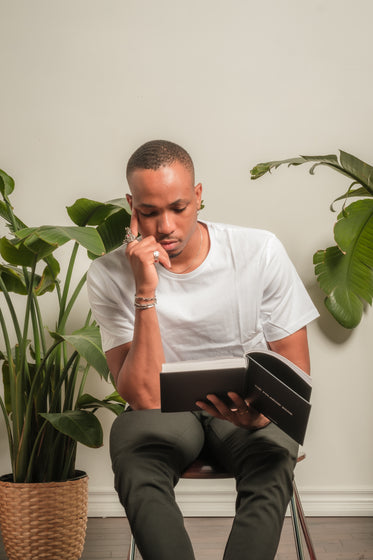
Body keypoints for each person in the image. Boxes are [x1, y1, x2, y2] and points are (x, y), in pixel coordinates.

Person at [87, 139, 319, 560]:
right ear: (131, 207)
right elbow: (143, 397)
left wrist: (261, 413)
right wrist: (145, 289)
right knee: (136, 456)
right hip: (163, 415)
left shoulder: (258, 251)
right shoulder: (108, 274)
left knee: (272, 457)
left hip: (245, 409)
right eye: (150, 212)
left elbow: (295, 372)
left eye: (178, 207)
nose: (166, 226)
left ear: (198, 196)